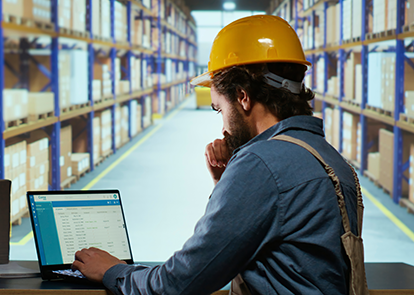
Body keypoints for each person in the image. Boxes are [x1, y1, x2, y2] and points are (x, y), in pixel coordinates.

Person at [71, 15, 367, 295]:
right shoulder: (329, 159)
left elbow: (184, 281)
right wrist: (227, 183)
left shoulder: (262, 164)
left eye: (219, 109)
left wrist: (114, 272)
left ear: (242, 97)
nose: (222, 124)